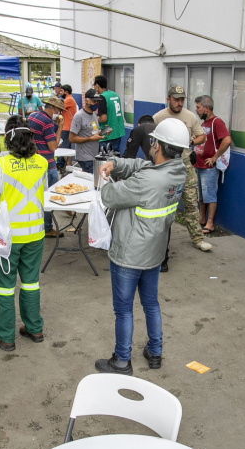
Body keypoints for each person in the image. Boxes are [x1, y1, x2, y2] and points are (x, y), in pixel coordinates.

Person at [94, 118, 189, 375]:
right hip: (154, 252)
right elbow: (142, 165)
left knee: (123, 309)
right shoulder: (177, 170)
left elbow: (110, 196)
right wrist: (117, 164)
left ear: (157, 145)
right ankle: (155, 352)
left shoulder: (147, 181)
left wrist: (106, 180)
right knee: (151, 303)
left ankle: (122, 361)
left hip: (129, 254)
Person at [0, 120, 48, 352]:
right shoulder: (41, 162)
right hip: (35, 233)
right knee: (31, 282)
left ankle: (5, 336)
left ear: (8, 140)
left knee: (4, 286)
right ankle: (34, 328)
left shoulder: (0, 165)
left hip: (8, 237)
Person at [153, 85, 212, 263]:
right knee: (160, 205)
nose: (179, 103)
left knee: (191, 203)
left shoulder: (190, 117)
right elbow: (151, 141)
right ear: (168, 99)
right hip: (165, 166)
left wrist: (191, 140)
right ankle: (157, 241)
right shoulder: (159, 117)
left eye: (182, 100)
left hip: (185, 165)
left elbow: (202, 136)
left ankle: (197, 239)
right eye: (176, 99)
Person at [194, 95, 232, 234]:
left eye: (198, 107)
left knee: (210, 195)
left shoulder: (216, 122)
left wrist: (214, 157)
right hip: (198, 165)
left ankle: (210, 224)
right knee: (201, 196)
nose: (196, 110)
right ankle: (202, 219)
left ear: (207, 108)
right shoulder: (203, 124)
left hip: (208, 168)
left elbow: (227, 140)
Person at [27, 96, 64, 237]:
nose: (60, 113)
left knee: (36, 196)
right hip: (47, 163)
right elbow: (53, 146)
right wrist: (59, 127)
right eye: (59, 110)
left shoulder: (33, 116)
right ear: (54, 108)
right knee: (50, 196)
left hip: (34, 161)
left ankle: (37, 224)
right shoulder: (48, 123)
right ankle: (47, 228)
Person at [69, 89, 102, 174]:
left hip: (94, 155)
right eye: (94, 101)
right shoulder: (79, 116)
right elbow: (72, 138)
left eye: (98, 102)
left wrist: (102, 133)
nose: (96, 104)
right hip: (85, 157)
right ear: (87, 100)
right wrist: (90, 139)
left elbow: (93, 131)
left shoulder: (94, 114)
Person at [93, 75, 125, 155]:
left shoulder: (103, 97)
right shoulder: (115, 94)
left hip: (107, 134)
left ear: (97, 85)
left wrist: (94, 118)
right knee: (115, 161)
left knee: (104, 162)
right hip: (117, 132)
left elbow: (103, 119)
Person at [56, 84, 78, 171]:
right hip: (67, 127)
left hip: (66, 127)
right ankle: (66, 167)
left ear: (66, 92)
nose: (60, 93)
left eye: (61, 91)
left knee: (64, 149)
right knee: (65, 148)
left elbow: (58, 106)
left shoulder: (69, 99)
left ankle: (68, 168)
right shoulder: (68, 99)